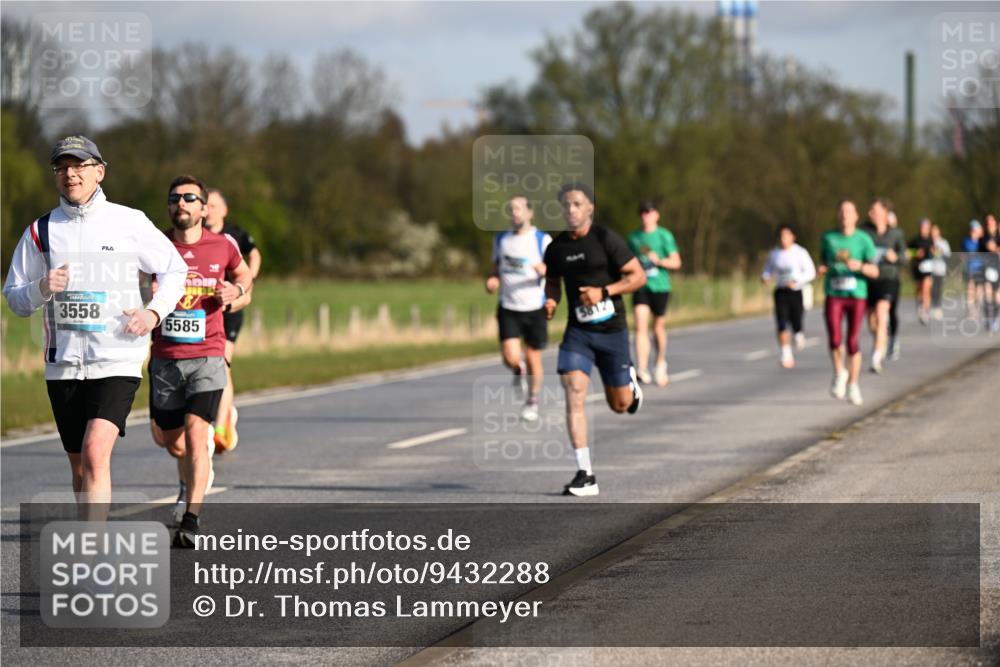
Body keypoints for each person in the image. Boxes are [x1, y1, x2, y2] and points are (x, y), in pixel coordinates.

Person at [2, 136, 187, 506]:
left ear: (99, 172)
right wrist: (41, 287)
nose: (70, 174)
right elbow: (15, 298)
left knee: (94, 452)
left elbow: (174, 269)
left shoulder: (128, 222)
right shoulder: (41, 231)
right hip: (63, 365)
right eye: (61, 167)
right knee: (79, 467)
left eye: (79, 166)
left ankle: (93, 552)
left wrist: (153, 312)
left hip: (118, 357)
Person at [149, 176, 253, 547]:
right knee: (171, 442)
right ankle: (185, 479)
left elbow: (243, 277)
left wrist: (236, 292)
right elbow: (131, 283)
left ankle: (191, 520)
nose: (182, 203)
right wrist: (147, 292)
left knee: (197, 436)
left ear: (203, 208)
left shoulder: (223, 245)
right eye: (175, 198)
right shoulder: (155, 245)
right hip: (165, 359)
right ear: (169, 206)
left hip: (208, 355)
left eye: (190, 198)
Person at [543, 183, 646, 497]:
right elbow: (553, 282)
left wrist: (605, 292)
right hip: (579, 334)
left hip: (612, 331)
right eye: (566, 205)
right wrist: (551, 301)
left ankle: (629, 383)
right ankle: (585, 473)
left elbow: (637, 276)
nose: (571, 210)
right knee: (573, 390)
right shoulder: (556, 248)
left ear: (590, 208)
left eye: (577, 204)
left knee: (620, 405)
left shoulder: (606, 240)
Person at [203, 188, 262, 451]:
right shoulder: (194, 236)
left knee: (223, 366)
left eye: (215, 205)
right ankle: (223, 414)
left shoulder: (234, 235)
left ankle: (220, 428)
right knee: (205, 367)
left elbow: (254, 253)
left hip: (230, 309)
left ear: (224, 210)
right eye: (207, 205)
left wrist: (248, 281)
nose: (210, 209)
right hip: (201, 311)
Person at [485, 196, 552, 422]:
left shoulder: (542, 239)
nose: (515, 213)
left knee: (534, 357)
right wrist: (492, 280)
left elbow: (554, 272)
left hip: (534, 306)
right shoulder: (501, 239)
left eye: (519, 209)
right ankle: (517, 369)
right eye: (511, 209)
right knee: (509, 356)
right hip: (509, 305)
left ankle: (532, 400)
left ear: (529, 212)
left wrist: (543, 269)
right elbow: (496, 268)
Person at [818, 200, 879, 406]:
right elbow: (823, 262)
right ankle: (839, 372)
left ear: (856, 216)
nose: (845, 215)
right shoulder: (828, 238)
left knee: (852, 340)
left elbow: (874, 271)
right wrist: (822, 269)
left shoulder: (863, 240)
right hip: (834, 293)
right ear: (838, 215)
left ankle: (853, 384)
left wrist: (860, 266)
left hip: (857, 294)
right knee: (835, 338)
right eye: (842, 211)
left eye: (849, 212)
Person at [627, 201, 681, 386]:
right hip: (641, 286)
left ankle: (660, 362)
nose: (645, 216)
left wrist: (659, 261)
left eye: (649, 212)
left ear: (656, 215)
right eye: (642, 212)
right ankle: (641, 368)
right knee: (640, 325)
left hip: (660, 286)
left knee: (658, 327)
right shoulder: (633, 237)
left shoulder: (664, 235)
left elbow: (676, 262)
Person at [760, 225, 816, 368]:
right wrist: (765, 277)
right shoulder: (774, 254)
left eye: (786, 236)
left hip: (796, 292)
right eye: (781, 236)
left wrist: (797, 280)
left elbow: (811, 272)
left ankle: (798, 333)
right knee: (781, 323)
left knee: (796, 321)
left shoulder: (800, 252)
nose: (783, 239)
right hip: (780, 292)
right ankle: (786, 355)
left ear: (793, 237)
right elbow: (768, 270)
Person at [862, 198, 906, 373]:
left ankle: (876, 356)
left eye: (874, 210)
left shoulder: (896, 234)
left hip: (889, 279)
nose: (870, 213)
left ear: (884, 213)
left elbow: (904, 257)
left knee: (882, 314)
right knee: (872, 322)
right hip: (868, 281)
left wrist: (896, 258)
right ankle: (881, 340)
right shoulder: (864, 232)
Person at [909, 218, 935, 324]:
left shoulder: (931, 241)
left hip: (928, 268)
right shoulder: (915, 240)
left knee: (926, 288)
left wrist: (936, 251)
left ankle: (925, 310)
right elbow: (907, 253)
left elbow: (937, 253)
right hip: (918, 268)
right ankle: (920, 304)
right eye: (923, 227)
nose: (925, 229)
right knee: (920, 289)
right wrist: (916, 253)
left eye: (927, 227)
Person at [962, 220, 986, 320]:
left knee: (979, 290)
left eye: (975, 230)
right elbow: (968, 252)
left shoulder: (982, 240)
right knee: (970, 289)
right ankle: (971, 310)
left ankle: (977, 308)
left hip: (981, 268)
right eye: (972, 230)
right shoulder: (967, 241)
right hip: (970, 268)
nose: (974, 232)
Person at [980, 214, 999, 333]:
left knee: (997, 298)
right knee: (987, 294)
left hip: (998, 269)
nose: (990, 225)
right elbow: (987, 247)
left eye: (991, 222)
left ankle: (994, 319)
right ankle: (988, 318)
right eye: (987, 223)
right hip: (987, 269)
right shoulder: (983, 238)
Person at [930, 223, 951, 321]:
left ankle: (938, 308)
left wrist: (940, 251)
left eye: (936, 230)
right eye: (932, 230)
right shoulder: (928, 242)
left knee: (938, 289)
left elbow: (948, 255)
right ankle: (931, 307)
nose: (934, 232)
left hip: (940, 269)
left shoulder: (943, 242)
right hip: (930, 269)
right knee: (932, 289)